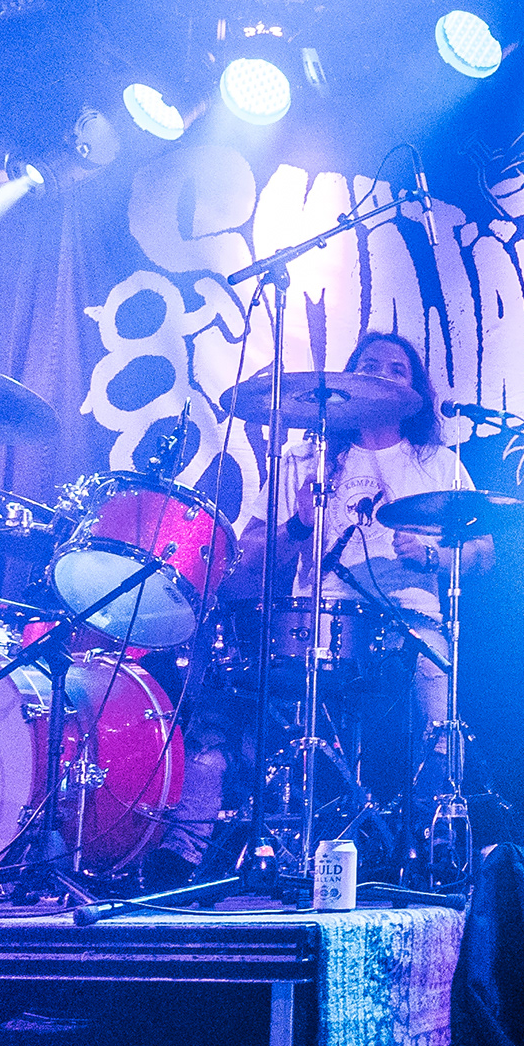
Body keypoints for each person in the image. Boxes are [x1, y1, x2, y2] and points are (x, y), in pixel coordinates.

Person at [157, 332, 490, 877]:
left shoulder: (437, 462)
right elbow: (247, 562)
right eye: (369, 364)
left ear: (415, 391)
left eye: (397, 369)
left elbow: (484, 551)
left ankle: (438, 842)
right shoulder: (303, 459)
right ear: (345, 381)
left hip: (410, 616)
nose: (381, 374)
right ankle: (185, 848)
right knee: (221, 703)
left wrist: (435, 556)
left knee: (437, 705)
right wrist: (297, 525)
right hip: (314, 618)